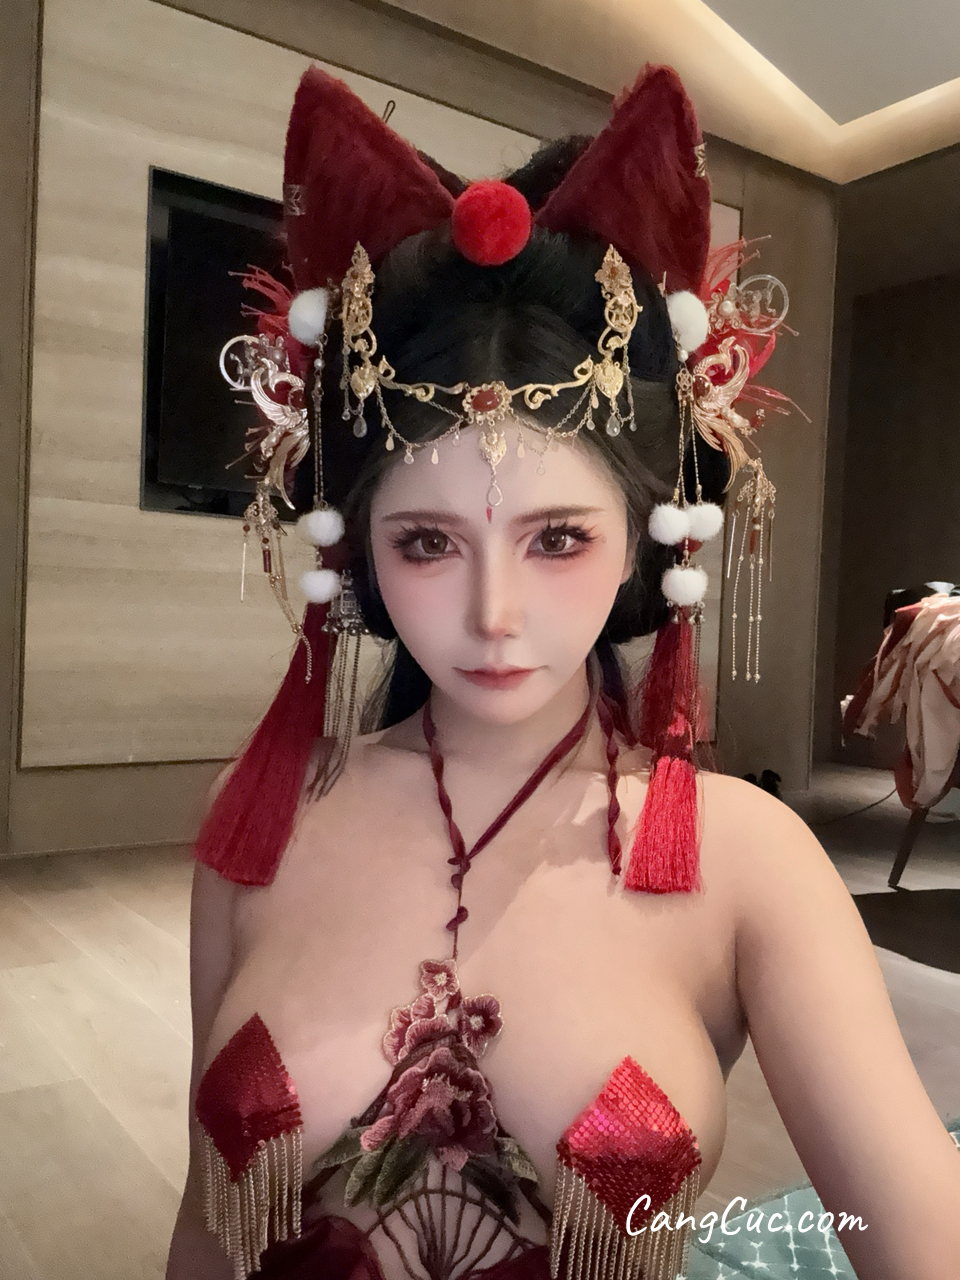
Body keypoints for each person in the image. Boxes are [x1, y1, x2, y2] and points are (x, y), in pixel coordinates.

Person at [165, 64, 960, 1280]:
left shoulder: (754, 864)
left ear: (643, 539)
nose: (494, 616)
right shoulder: (261, 825)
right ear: (360, 547)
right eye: (427, 542)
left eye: (557, 539)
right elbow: (204, 1222)